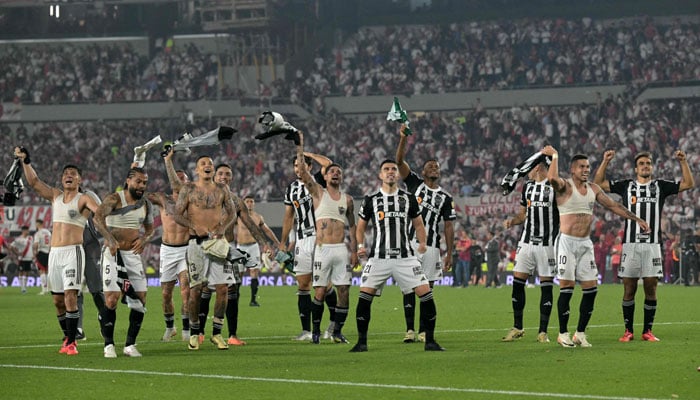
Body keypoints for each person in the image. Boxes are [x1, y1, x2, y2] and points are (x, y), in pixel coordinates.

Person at [541, 145, 650, 348]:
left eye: (588, 166)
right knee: (567, 288)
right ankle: (562, 333)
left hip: (585, 244)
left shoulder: (593, 188)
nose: (586, 169)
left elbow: (613, 205)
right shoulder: (565, 186)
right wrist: (554, 156)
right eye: (582, 166)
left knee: (591, 289)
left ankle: (580, 333)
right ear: (573, 169)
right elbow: (551, 179)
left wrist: (637, 219)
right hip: (566, 242)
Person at [593, 149, 694, 342]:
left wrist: (683, 161)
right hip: (630, 245)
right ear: (635, 168)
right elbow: (598, 184)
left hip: (652, 245)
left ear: (652, 167)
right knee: (629, 288)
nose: (645, 166)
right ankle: (628, 331)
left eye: (648, 163)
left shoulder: (660, 186)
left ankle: (647, 330)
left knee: (651, 287)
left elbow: (689, 183)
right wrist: (605, 161)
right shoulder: (626, 186)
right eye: (642, 164)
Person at [351, 159, 443, 352]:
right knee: (364, 297)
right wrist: (360, 246)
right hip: (378, 258)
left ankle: (431, 341)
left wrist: (423, 242)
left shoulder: (408, 198)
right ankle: (361, 342)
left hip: (406, 258)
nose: (391, 172)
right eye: (386, 169)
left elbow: (418, 224)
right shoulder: (371, 199)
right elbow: (360, 227)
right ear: (380, 175)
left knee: (426, 295)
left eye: (393, 169)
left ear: (398, 174)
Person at [15, 146, 99, 356]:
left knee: (71, 296)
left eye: (73, 174)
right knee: (57, 301)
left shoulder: (84, 199)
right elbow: (34, 182)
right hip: (54, 254)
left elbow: (101, 211)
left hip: (73, 252)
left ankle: (71, 342)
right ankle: (67, 336)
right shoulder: (56, 196)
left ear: (79, 180)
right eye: (65, 174)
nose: (68, 176)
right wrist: (26, 161)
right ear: (62, 180)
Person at [395, 123, 456, 343]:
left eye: (437, 166)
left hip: (432, 247)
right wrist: (403, 138)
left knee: (427, 290)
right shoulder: (414, 184)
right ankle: (409, 330)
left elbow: (448, 226)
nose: (434, 167)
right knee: (409, 288)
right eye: (430, 165)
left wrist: (450, 253)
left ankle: (422, 331)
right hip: (411, 243)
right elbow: (399, 162)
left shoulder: (446, 198)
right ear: (422, 172)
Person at [296, 131, 357, 344]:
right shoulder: (318, 193)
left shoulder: (348, 200)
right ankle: (315, 332)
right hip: (322, 249)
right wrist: (302, 147)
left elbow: (353, 226)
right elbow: (303, 171)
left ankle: (337, 331)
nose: (336, 174)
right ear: (325, 176)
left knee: (344, 292)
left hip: (341, 249)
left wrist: (356, 251)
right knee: (320, 291)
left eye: (339, 172)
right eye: (332, 171)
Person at [174, 155, 237, 351]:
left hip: (218, 243)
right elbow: (177, 214)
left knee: (223, 288)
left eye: (210, 163)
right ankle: (194, 332)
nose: (208, 166)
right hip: (197, 244)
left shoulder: (222, 189)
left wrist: (222, 227)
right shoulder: (189, 189)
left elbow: (233, 213)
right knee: (196, 289)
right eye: (203, 164)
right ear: (197, 170)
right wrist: (194, 225)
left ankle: (217, 333)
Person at [209, 163, 275, 346]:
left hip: (228, 247)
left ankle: (231, 334)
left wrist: (264, 244)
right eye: (220, 173)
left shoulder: (236, 201)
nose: (224, 177)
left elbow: (251, 225)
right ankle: (196, 332)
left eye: (227, 174)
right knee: (203, 290)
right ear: (214, 176)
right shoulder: (203, 197)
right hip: (206, 246)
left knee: (232, 290)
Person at [93, 167, 155, 358]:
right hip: (113, 254)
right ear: (128, 181)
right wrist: (109, 238)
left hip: (133, 256)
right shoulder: (114, 199)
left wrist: (144, 239)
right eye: (138, 181)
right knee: (112, 299)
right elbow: (97, 218)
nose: (141, 185)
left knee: (140, 299)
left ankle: (130, 345)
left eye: (144, 182)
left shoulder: (146, 204)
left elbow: (151, 229)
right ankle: (108, 345)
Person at [281, 151, 340, 341]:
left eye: (302, 164)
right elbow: (289, 216)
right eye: (296, 165)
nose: (298, 168)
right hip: (301, 240)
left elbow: (328, 163)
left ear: (310, 167)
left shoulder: (317, 181)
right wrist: (284, 242)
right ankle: (306, 331)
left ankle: (333, 324)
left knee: (323, 285)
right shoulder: (291, 189)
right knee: (303, 284)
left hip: (320, 237)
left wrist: (305, 153)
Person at [502, 160, 559, 343]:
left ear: (538, 167)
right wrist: (513, 221)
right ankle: (518, 327)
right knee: (518, 282)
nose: (526, 172)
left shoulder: (554, 186)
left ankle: (543, 332)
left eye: (529, 168)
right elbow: (522, 214)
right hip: (526, 242)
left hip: (547, 244)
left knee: (546, 286)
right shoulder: (527, 187)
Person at [146, 147, 191, 342]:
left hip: (186, 249)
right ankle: (170, 327)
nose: (180, 180)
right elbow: (139, 194)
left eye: (183, 178)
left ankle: (187, 330)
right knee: (165, 293)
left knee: (186, 291)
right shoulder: (162, 199)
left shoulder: (193, 202)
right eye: (177, 177)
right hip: (167, 251)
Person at [236, 195, 281, 307]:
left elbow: (267, 231)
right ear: (244, 203)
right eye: (247, 201)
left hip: (253, 246)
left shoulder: (258, 217)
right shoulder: (238, 216)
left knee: (254, 272)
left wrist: (277, 243)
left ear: (254, 203)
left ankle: (253, 300)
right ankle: (235, 299)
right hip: (240, 247)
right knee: (239, 274)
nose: (250, 203)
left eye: (251, 201)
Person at [76, 188, 106, 341]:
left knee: (96, 289)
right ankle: (78, 328)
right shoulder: (64, 199)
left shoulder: (89, 195)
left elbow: (101, 213)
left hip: (90, 248)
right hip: (72, 248)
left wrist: (102, 231)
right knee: (75, 290)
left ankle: (104, 316)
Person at [11, 225, 34, 294]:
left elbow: (32, 247)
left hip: (29, 258)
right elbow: (11, 246)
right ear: (24, 231)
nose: (28, 231)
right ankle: (22, 288)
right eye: (27, 230)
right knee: (21, 272)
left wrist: (33, 254)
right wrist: (17, 253)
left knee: (27, 272)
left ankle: (25, 287)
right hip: (22, 258)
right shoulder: (18, 239)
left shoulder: (30, 238)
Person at [33, 219, 51, 295]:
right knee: (46, 271)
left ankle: (43, 289)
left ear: (38, 224)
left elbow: (36, 244)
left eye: (36, 223)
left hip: (41, 252)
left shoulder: (38, 233)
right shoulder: (48, 232)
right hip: (48, 252)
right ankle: (47, 289)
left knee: (41, 271)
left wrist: (35, 252)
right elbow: (51, 242)